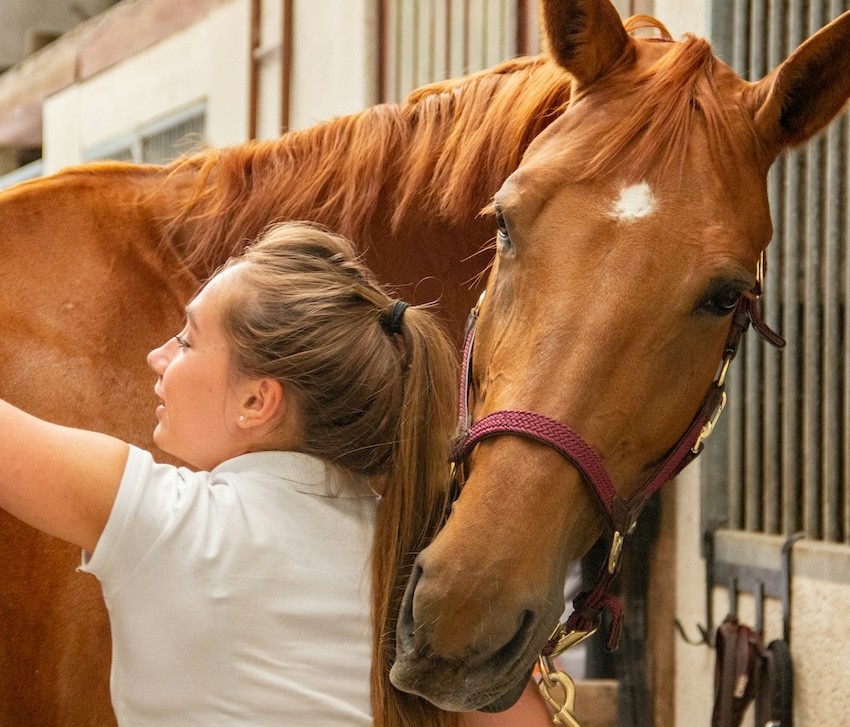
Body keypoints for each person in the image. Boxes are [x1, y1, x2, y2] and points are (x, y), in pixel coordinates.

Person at [0, 221, 555, 727]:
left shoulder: (165, 521)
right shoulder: (419, 562)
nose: (157, 355)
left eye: (187, 340)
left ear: (257, 400)